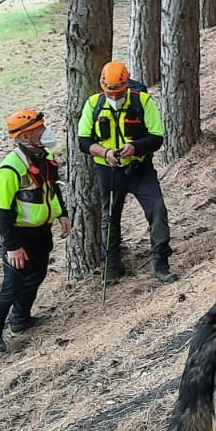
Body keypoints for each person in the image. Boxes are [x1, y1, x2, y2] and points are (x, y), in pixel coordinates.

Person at [77, 61, 178, 286]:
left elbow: (157, 137)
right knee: (110, 216)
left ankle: (161, 263)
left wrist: (136, 147)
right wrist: (105, 152)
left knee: (157, 209)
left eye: (118, 92)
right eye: (109, 92)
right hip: (108, 170)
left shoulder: (142, 101)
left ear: (126, 85)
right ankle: (112, 267)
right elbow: (84, 141)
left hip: (140, 168)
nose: (113, 96)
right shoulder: (93, 104)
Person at [0, 108, 69, 354]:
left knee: (37, 274)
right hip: (19, 237)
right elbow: (1, 212)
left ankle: (21, 319)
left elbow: (53, 189)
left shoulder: (44, 156)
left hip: (41, 232)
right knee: (13, 285)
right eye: (39, 130)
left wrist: (61, 213)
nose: (46, 132)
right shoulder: (10, 169)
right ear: (24, 137)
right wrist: (12, 246)